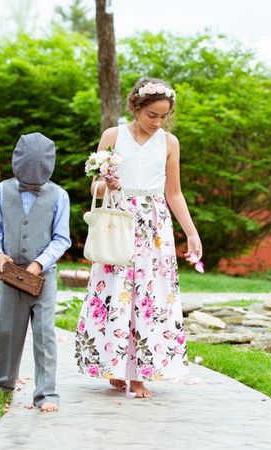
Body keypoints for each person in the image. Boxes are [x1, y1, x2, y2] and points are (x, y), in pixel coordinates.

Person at [75, 78, 203, 398]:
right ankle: (115, 365)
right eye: (152, 116)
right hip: (119, 223)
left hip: (154, 229)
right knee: (117, 292)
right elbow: (95, 188)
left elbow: (174, 193)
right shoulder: (113, 136)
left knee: (148, 296)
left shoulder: (169, 143)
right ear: (136, 107)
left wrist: (191, 232)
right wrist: (109, 183)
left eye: (163, 117)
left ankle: (140, 374)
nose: (157, 123)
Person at [0, 132, 71, 413]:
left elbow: (62, 239)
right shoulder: (1, 190)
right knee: (5, 329)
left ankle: (46, 393)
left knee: (45, 333)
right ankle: (3, 381)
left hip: (42, 278)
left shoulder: (60, 195)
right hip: (9, 275)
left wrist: (39, 263)